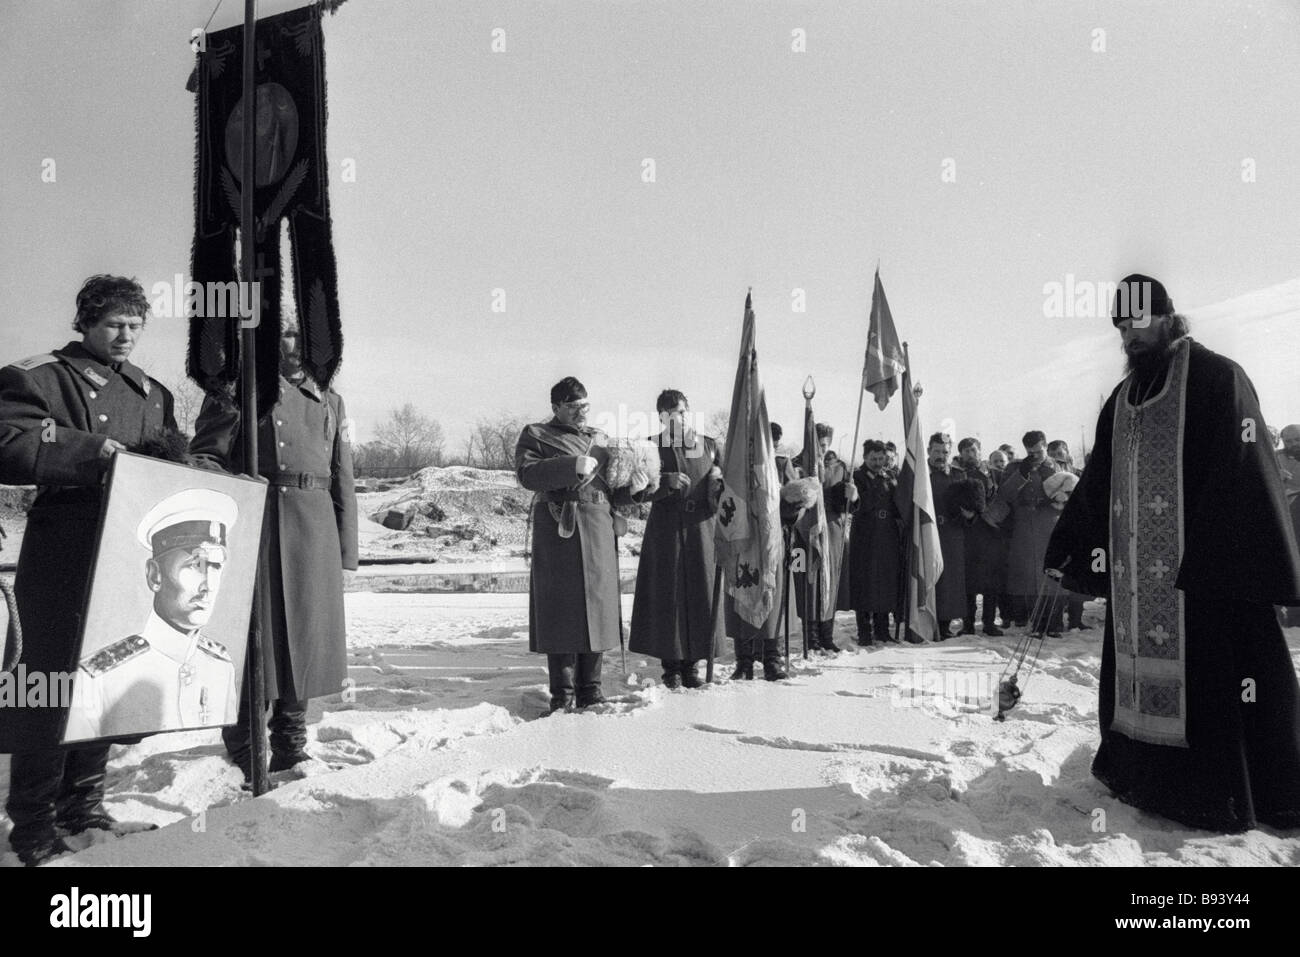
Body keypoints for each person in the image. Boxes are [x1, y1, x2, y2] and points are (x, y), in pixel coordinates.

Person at [1045, 273, 1300, 832]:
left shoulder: (1217, 379)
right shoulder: (1123, 399)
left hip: (1204, 577)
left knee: (1222, 684)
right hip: (1137, 585)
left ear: (1167, 317)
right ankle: (1146, 780)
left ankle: (1223, 794)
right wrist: (1069, 545)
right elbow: (1098, 480)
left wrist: (1214, 559)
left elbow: (1243, 474)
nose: (1129, 337)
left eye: (1137, 324)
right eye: (1121, 329)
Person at [0, 275, 165, 865]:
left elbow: (168, 459)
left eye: (135, 325)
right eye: (113, 324)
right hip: (63, 549)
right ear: (86, 323)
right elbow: (9, 442)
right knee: (47, 685)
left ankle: (84, 808)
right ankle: (32, 827)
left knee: (105, 677)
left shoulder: (151, 391)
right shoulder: (39, 377)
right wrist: (89, 451)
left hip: (127, 549)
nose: (125, 336)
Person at [190, 315, 357, 779]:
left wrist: (345, 548)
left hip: (313, 528)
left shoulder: (331, 399)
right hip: (255, 524)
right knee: (252, 640)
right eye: (286, 333)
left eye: (305, 335)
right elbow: (204, 456)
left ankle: (290, 744)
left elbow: (341, 473)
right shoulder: (238, 390)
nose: (296, 343)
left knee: (304, 638)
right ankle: (246, 747)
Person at [63, 489, 240, 741]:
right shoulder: (97, 678)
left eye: (216, 566)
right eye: (195, 565)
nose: (208, 585)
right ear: (155, 575)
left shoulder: (221, 667)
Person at [514, 377, 629, 712]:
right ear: (556, 407)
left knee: (597, 608)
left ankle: (591, 689)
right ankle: (562, 694)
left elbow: (615, 487)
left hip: (599, 528)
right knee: (561, 610)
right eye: (574, 406)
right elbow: (527, 474)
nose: (582, 412)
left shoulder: (600, 439)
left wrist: (641, 487)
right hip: (560, 530)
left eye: (585, 406)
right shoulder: (536, 434)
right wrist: (571, 466)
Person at [628, 390, 725, 689]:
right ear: (661, 417)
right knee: (668, 596)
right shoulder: (649, 446)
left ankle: (692, 665)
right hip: (666, 528)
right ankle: (671, 668)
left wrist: (718, 489)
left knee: (699, 593)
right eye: (669, 414)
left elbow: (725, 488)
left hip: (701, 528)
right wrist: (663, 483)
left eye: (681, 412)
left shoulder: (709, 446)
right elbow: (636, 493)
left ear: (688, 412)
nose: (676, 419)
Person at [726, 421, 796, 680]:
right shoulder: (734, 466)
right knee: (740, 597)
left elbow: (793, 508)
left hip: (771, 542)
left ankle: (771, 660)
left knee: (771, 599)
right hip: (742, 542)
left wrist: (794, 504)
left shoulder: (781, 465)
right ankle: (743, 661)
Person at [987, 430, 1060, 629]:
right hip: (1024, 526)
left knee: (1050, 574)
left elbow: (1070, 492)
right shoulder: (1015, 467)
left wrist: (1057, 502)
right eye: (1030, 452)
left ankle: (1053, 622)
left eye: (1038, 451)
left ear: (1046, 446)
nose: (1034, 456)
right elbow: (1004, 494)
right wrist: (1021, 475)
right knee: (1027, 575)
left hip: (1049, 524)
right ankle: (1030, 619)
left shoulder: (1058, 466)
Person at [794, 423, 856, 653]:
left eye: (824, 445)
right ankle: (810, 636)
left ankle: (826, 635)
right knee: (806, 582)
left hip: (832, 532)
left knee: (830, 582)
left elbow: (850, 504)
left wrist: (852, 496)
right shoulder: (797, 465)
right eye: (817, 444)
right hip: (803, 534)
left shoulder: (839, 467)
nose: (821, 449)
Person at [849, 440, 901, 645]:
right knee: (865, 583)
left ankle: (882, 629)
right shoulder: (857, 477)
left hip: (887, 535)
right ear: (865, 458)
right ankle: (864, 631)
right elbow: (861, 504)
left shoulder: (889, 476)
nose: (878, 463)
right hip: (866, 535)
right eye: (873, 459)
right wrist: (877, 485)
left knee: (885, 582)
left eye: (881, 459)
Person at [957, 438, 1005, 636]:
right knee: (968, 582)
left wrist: (994, 517)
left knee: (990, 583)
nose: (970, 454)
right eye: (966, 451)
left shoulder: (992, 473)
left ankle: (989, 622)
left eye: (973, 450)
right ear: (961, 454)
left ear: (980, 451)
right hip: (967, 534)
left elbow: (1003, 497)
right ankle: (968, 623)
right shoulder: (958, 474)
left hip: (990, 534)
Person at [927, 433, 971, 640]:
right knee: (930, 578)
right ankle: (926, 623)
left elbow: (970, 505)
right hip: (928, 532)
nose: (940, 456)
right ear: (928, 451)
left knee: (950, 581)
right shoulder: (921, 475)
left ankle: (944, 624)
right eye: (936, 451)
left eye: (945, 452)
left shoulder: (958, 475)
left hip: (952, 533)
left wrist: (969, 514)